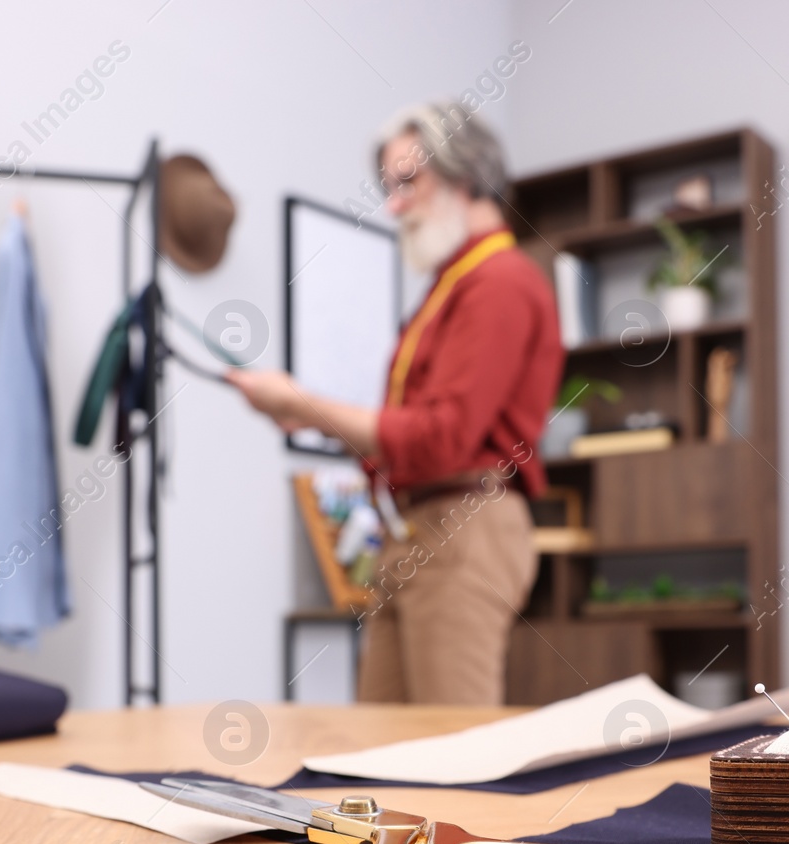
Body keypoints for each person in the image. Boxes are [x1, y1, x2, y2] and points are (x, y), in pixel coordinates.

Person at [228, 101, 565, 705]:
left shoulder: (500, 282)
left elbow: (442, 436)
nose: (394, 205)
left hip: (464, 524)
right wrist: (309, 414)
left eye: (409, 182)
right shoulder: (455, 284)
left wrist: (305, 406)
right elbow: (416, 434)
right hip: (417, 526)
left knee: (451, 757)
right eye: (390, 187)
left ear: (466, 174)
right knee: (380, 751)